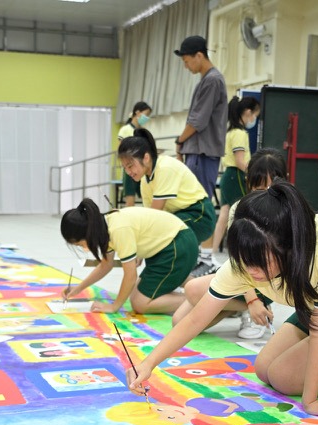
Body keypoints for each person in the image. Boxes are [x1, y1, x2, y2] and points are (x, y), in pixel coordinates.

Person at [127, 182, 318, 418]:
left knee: (285, 378)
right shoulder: (249, 259)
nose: (253, 273)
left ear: (289, 245)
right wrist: (149, 362)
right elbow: (196, 317)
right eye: (246, 262)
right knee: (264, 367)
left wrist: (311, 400)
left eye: (262, 263)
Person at [174, 149, 289, 341]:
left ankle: (255, 304)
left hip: (267, 281)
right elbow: (239, 259)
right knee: (179, 322)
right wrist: (250, 299)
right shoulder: (239, 208)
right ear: (249, 183)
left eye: (273, 186)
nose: (267, 193)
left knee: (193, 290)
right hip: (241, 275)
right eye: (260, 188)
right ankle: (245, 307)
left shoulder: (287, 210)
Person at [60, 198, 198, 315]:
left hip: (177, 246)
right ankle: (192, 284)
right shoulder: (104, 226)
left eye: (79, 244)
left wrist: (114, 306)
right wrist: (77, 289)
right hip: (165, 249)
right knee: (136, 294)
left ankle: (199, 299)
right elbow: (105, 265)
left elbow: (130, 275)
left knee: (140, 304)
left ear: (87, 233)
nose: (83, 249)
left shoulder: (118, 229)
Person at [118, 128, 215, 276]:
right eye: (125, 168)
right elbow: (148, 218)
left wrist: (140, 250)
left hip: (200, 214)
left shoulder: (165, 167)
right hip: (181, 216)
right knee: (157, 234)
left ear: (146, 158)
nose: (128, 172)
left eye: (130, 166)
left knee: (163, 233)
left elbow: (154, 218)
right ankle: (170, 274)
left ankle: (205, 264)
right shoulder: (145, 182)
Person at [173, 35, 228, 263]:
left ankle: (202, 257)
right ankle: (196, 254)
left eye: (187, 61)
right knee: (193, 202)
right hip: (198, 152)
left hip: (202, 153)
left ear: (199, 55)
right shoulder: (206, 80)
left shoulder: (213, 80)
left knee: (199, 205)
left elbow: (197, 121)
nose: (186, 66)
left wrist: (179, 141)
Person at [212, 96, 260, 256]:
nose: (255, 119)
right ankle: (237, 252)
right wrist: (255, 171)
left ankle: (212, 252)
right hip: (237, 176)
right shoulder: (239, 133)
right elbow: (240, 161)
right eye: (255, 115)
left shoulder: (230, 132)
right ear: (248, 112)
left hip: (228, 176)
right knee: (240, 214)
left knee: (225, 214)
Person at [116, 101, 151, 207]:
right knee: (130, 203)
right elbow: (120, 150)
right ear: (137, 112)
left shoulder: (141, 131)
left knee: (147, 200)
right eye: (146, 114)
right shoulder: (125, 129)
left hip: (141, 168)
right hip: (130, 170)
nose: (147, 117)